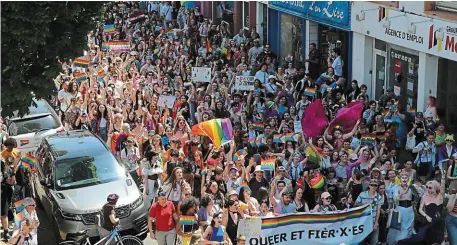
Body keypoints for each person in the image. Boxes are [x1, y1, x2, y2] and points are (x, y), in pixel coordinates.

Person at [397, 174, 446, 245]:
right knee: (420, 238)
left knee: (440, 241)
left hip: (438, 224)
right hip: (429, 223)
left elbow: (443, 189)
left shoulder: (439, 197)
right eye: (427, 187)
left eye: (430, 188)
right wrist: (426, 216)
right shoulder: (425, 197)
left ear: (435, 188)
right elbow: (420, 209)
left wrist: (443, 178)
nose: (428, 189)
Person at [355, 179, 383, 245]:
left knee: (374, 242)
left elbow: (378, 211)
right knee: (361, 242)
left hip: (373, 222)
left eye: (375, 185)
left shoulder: (378, 197)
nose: (373, 187)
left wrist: (376, 223)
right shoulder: (362, 194)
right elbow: (355, 204)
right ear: (369, 185)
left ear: (377, 187)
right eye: (372, 185)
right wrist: (365, 205)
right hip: (363, 222)